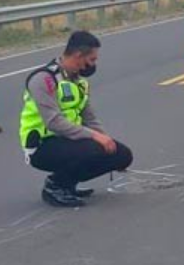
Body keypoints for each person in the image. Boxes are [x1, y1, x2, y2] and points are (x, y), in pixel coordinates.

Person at [19, 31, 133, 207]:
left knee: (122, 155)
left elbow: (90, 118)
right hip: (42, 145)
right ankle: (55, 186)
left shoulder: (79, 82)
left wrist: (107, 141)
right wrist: (95, 137)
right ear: (79, 56)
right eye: (92, 59)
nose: (94, 64)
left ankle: (68, 183)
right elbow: (54, 122)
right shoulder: (44, 79)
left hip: (68, 141)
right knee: (93, 148)